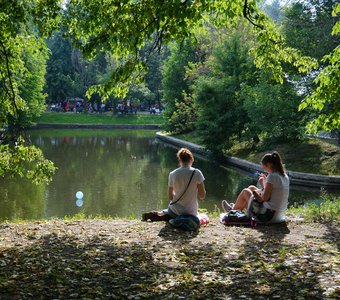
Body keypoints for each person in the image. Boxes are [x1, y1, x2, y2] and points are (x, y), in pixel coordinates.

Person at [222, 151, 289, 223]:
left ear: (269, 164)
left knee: (245, 191)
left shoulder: (272, 176)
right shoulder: (284, 176)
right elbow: (272, 194)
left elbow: (264, 198)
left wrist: (262, 183)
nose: (264, 170)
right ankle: (235, 209)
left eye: (265, 167)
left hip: (268, 216)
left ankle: (232, 212)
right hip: (279, 215)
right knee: (251, 187)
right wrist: (266, 182)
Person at [142, 148, 206, 221]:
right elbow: (202, 195)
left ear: (180, 160)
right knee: (194, 216)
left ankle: (159, 214)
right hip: (191, 212)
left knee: (172, 210)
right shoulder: (197, 173)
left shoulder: (173, 174)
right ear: (191, 159)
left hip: (175, 211)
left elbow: (170, 197)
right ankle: (163, 215)